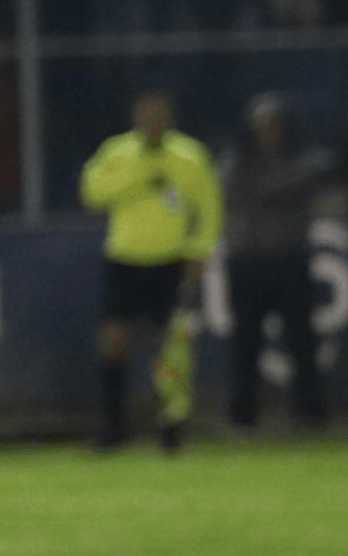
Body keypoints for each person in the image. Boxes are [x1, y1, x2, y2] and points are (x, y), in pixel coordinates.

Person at [79, 86, 224, 451]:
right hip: (125, 258)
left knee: (170, 346)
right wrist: (138, 178)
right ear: (136, 118)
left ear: (169, 118)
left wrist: (199, 252)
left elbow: (209, 208)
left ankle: (172, 422)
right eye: (146, 115)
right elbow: (92, 193)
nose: (152, 122)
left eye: (159, 115)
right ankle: (114, 426)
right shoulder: (119, 152)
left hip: (170, 260)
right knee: (113, 339)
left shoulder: (189, 155)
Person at [218, 91, 333, 432]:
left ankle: (310, 414)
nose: (268, 130)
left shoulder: (302, 158)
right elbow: (228, 185)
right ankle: (243, 417)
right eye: (261, 124)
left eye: (274, 123)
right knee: (245, 342)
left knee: (302, 340)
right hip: (247, 262)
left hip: (289, 259)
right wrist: (276, 190)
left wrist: (267, 189)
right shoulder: (237, 159)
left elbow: (309, 174)